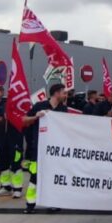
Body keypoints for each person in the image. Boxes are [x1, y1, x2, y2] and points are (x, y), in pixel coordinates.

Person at [20, 82, 70, 213]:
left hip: (54, 150)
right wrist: (36, 116)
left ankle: (52, 202)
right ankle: (30, 204)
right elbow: (24, 120)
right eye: (63, 92)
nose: (65, 95)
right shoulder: (40, 105)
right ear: (56, 93)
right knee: (34, 177)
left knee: (53, 176)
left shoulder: (63, 109)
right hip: (38, 149)